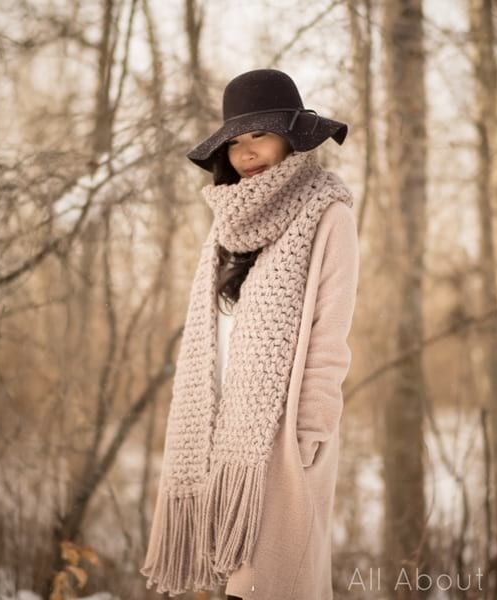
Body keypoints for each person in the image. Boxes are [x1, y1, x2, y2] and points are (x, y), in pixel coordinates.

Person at [140, 68, 359, 600]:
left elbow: (330, 337)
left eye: (259, 134)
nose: (246, 153)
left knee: (272, 584)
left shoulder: (328, 215)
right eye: (235, 142)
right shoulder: (224, 227)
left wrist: (308, 432)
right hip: (222, 435)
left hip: (284, 440)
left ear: (293, 134)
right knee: (239, 586)